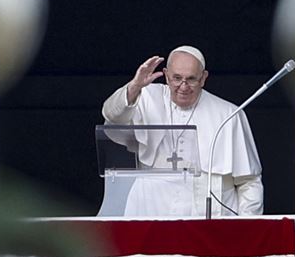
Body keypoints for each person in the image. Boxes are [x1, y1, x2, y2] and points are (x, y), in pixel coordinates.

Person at [102, 45, 263, 216]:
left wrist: (246, 227)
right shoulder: (145, 97)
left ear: (203, 78)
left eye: (191, 79)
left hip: (206, 218)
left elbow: (249, 181)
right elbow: (111, 117)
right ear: (166, 75)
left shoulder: (229, 114)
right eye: (177, 78)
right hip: (150, 210)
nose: (183, 86)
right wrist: (134, 87)